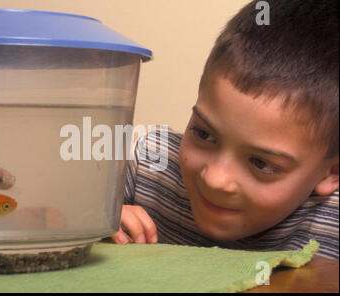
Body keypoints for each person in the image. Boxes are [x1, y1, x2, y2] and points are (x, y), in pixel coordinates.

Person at [111, 0, 339, 260]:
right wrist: (87, 223)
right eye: (204, 134)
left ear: (331, 172)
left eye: (261, 163)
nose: (215, 179)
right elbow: (57, 209)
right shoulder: (145, 166)